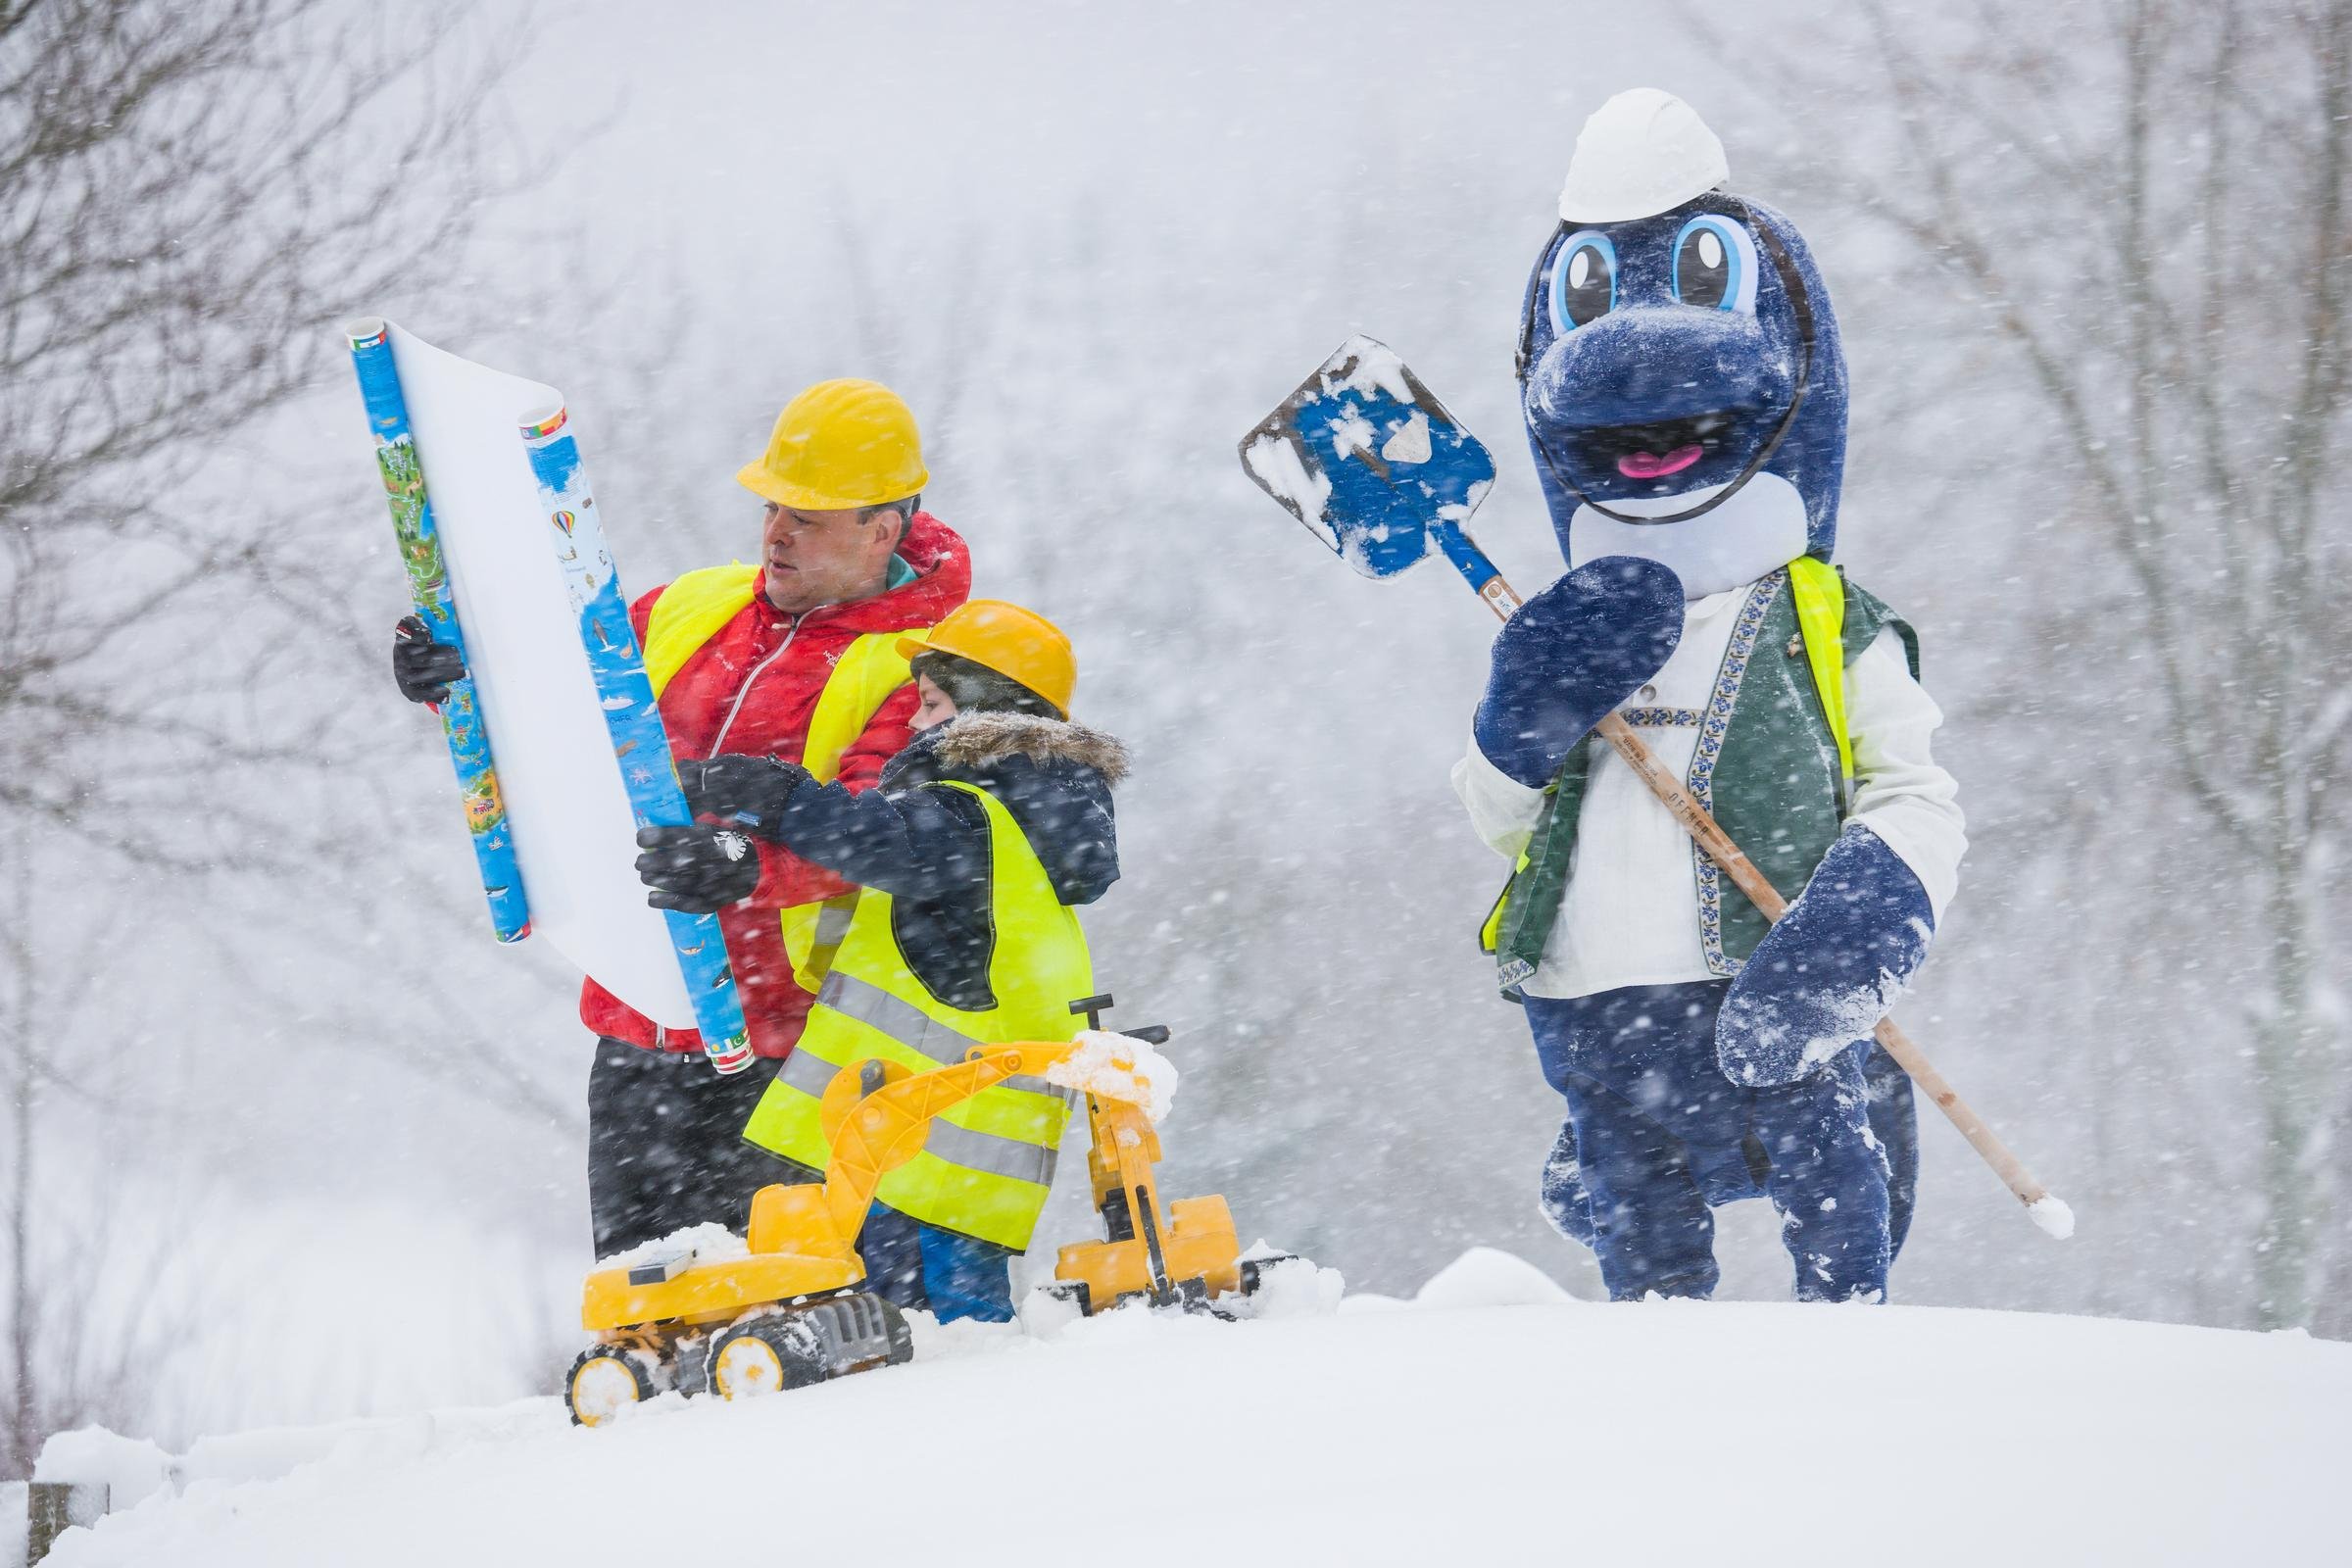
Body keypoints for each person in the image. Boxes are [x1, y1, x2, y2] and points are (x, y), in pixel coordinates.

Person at [1456, 89, 1965, 1302]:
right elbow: (1505, 820)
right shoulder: (1566, 624)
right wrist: (1516, 729)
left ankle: (1848, 1352)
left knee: (1829, 1198)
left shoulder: (1821, 617)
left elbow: (1914, 795)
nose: (1650, 426)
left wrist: (1849, 932)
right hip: (1595, 994)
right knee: (1642, 1240)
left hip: (1766, 971)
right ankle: (1655, 1381)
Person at [392, 379, 970, 1259]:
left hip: (800, 1049)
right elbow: (553, 711)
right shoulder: (687, 607)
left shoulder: (928, 667)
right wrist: (458, 682)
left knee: (779, 1307)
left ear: (882, 530)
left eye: (807, 518)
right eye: (772, 507)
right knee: (640, 1308)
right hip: (640, 1027)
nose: (776, 532)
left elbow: (890, 836)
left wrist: (750, 867)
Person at [639, 600, 1126, 1322]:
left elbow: (873, 836)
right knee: (944, 1315)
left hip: (928, 1139)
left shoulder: (974, 813)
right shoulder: (1029, 818)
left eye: (931, 703)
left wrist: (766, 791)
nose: (916, 723)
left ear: (984, 706)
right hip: (955, 1145)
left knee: (931, 1328)